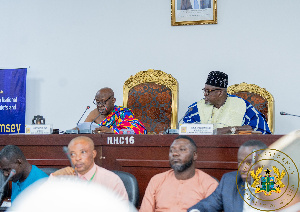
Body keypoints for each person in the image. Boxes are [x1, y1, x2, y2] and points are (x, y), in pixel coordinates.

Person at [139, 135, 218, 212]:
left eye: (182, 149)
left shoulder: (209, 184)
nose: (175, 154)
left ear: (194, 155)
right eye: (171, 150)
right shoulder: (156, 180)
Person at [187, 140, 268, 212]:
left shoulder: (274, 185)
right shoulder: (229, 181)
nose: (243, 168)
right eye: (240, 162)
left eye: (250, 162)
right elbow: (207, 205)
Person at [182, 71, 271, 134]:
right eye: (204, 90)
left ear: (220, 92)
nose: (205, 94)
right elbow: (184, 129)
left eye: (208, 91)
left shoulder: (242, 105)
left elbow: (260, 128)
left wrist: (229, 129)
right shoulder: (196, 108)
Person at [51, 136, 128, 201]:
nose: (77, 158)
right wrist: (55, 176)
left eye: (83, 152)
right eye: (73, 154)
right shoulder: (63, 178)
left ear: (93, 154)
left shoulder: (111, 180)